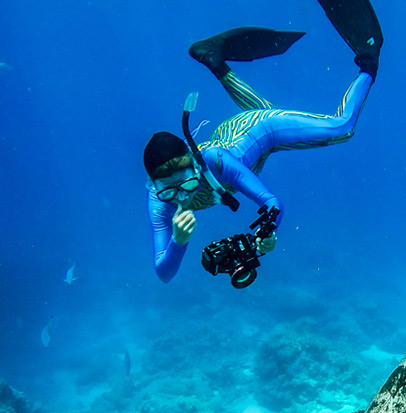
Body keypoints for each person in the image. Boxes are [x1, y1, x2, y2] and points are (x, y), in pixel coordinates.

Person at [143, 0, 383, 283]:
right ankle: (212, 59)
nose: (181, 195)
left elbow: (272, 202)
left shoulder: (214, 162)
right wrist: (179, 241)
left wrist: (269, 228)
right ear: (153, 187)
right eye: (169, 190)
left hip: (257, 133)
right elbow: (164, 273)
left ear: (196, 165)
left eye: (186, 182)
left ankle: (367, 60)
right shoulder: (159, 204)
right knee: (264, 110)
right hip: (237, 137)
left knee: (342, 127)